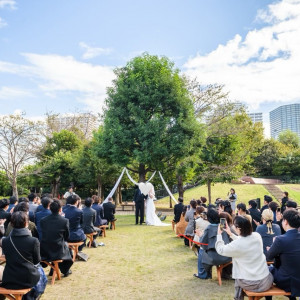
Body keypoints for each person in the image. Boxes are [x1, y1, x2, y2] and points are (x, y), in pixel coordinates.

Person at [216, 216, 273, 300]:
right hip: (265, 282)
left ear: (238, 229)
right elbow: (244, 242)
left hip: (249, 283)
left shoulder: (236, 245)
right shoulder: (257, 236)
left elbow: (220, 249)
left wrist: (219, 234)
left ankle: (238, 297)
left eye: (233, 226)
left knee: (238, 277)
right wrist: (231, 234)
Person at [1, 211, 41, 294]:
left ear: (11, 224)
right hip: (28, 278)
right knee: (42, 274)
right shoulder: (33, 241)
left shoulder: (4, 241)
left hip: (9, 279)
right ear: (26, 223)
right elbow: (37, 261)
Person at [266, 209, 300, 299]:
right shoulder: (282, 239)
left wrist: (273, 246)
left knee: (267, 269)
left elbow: (269, 257)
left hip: (287, 281)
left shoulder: (280, 239)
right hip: (297, 279)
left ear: (285, 222)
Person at [194, 208, 232, 279]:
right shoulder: (222, 224)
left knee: (201, 250)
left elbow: (203, 243)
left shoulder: (210, 227)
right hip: (227, 255)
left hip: (215, 256)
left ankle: (203, 274)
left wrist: (200, 235)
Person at [40, 200, 73, 277]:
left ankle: (54, 269)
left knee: (61, 245)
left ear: (50, 208)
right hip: (58, 250)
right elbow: (67, 236)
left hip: (45, 249)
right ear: (60, 209)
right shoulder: (64, 221)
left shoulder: (43, 220)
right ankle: (65, 270)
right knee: (66, 248)